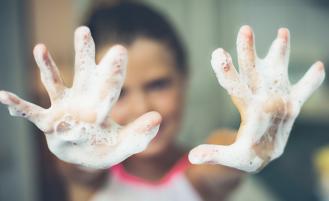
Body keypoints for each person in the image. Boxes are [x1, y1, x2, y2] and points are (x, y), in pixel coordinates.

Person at [0, 1, 325, 201]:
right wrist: (73, 146)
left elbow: (224, 158)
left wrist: (249, 144)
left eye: (158, 84)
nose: (142, 108)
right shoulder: (93, 173)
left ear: (185, 78)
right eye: (120, 93)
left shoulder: (200, 171)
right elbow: (78, 170)